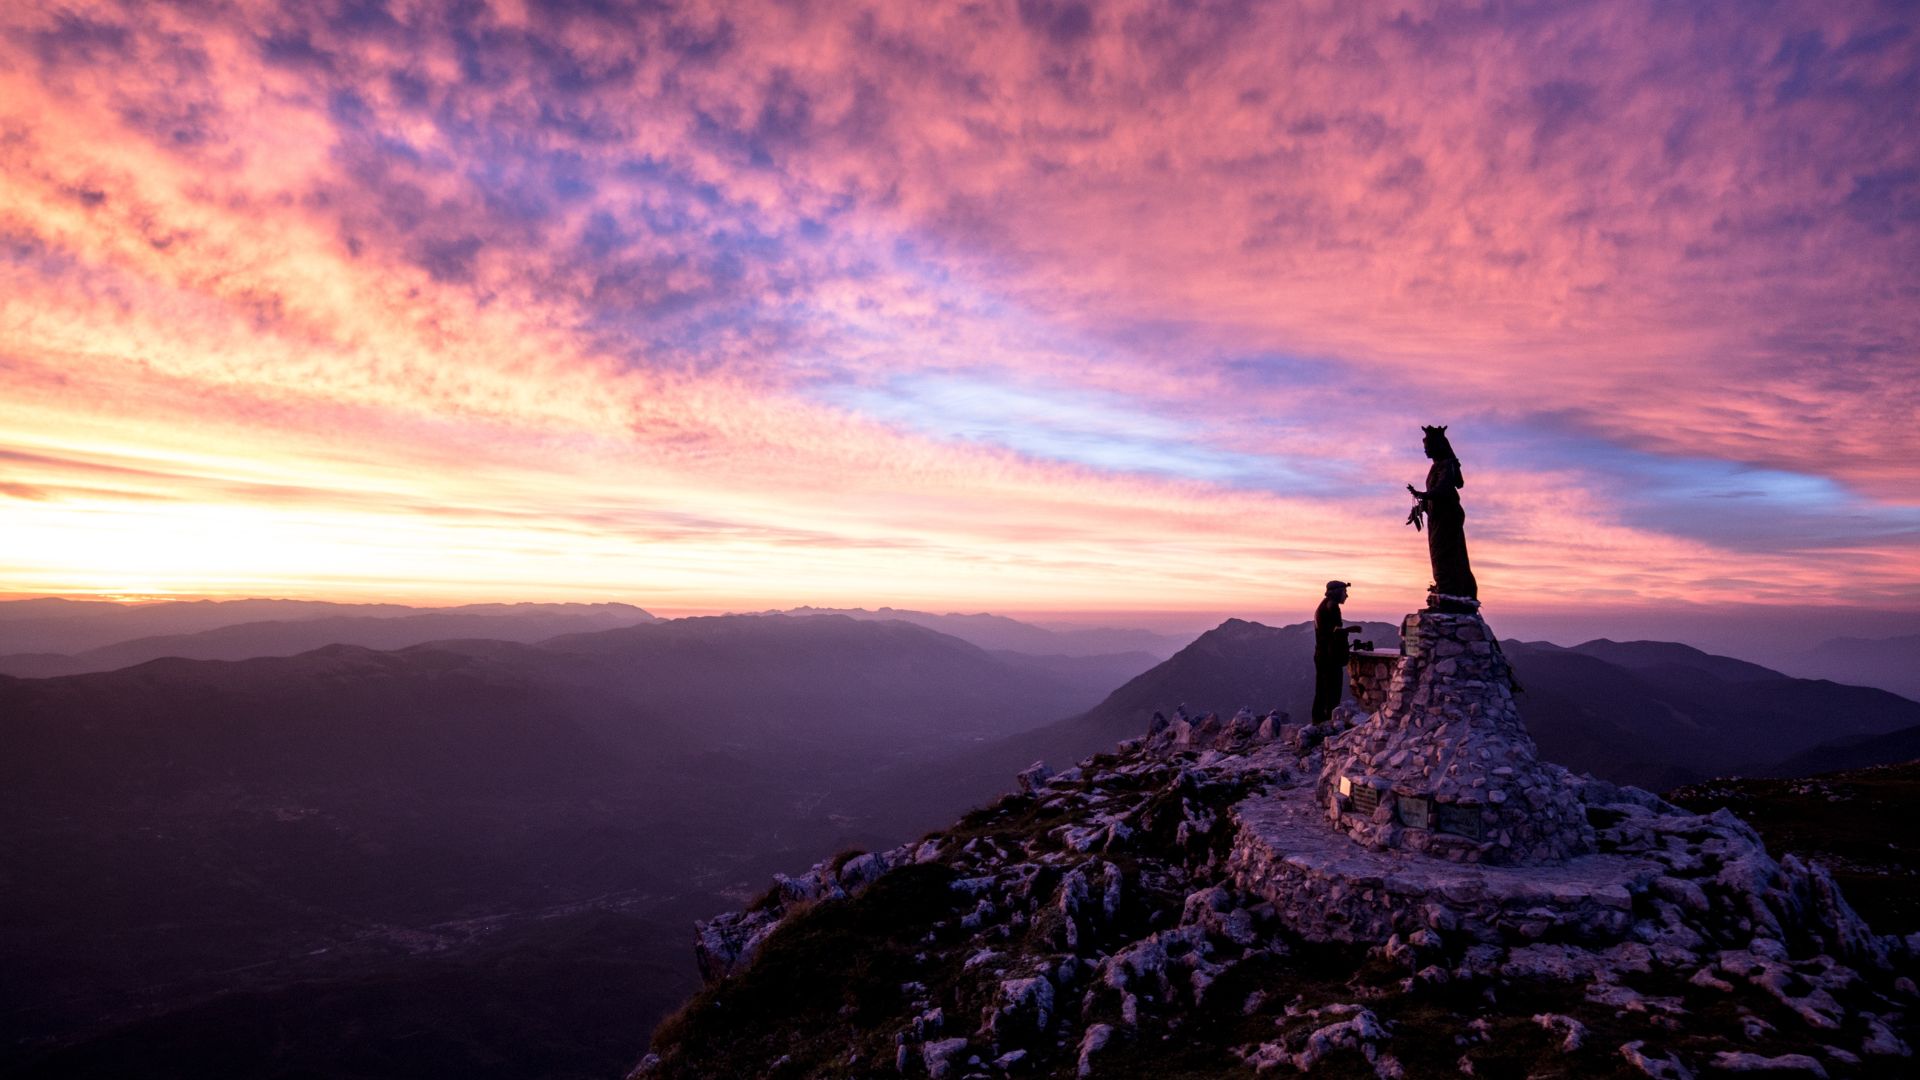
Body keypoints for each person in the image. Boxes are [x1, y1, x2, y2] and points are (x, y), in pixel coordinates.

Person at [1405, 425, 1478, 603]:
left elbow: (1443, 489)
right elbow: (1436, 493)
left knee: (1446, 551)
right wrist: (1421, 506)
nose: (1425, 450)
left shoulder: (1447, 465)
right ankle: (1446, 586)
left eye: (1428, 446)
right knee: (1438, 552)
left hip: (1448, 516)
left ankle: (1452, 589)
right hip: (1437, 517)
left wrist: (1422, 495)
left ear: (1438, 446)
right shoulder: (1436, 467)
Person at [1312, 580, 1363, 725]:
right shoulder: (1331, 606)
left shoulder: (1324, 605)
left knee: (1322, 689)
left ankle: (1319, 721)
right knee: (1332, 691)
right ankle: (1329, 723)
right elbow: (1332, 632)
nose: (1346, 595)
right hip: (1329, 657)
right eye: (1344, 592)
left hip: (1323, 655)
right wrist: (1351, 629)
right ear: (1337, 593)